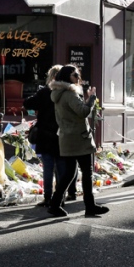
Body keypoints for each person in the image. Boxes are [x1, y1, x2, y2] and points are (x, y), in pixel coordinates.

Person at [47, 65, 109, 218]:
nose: (78, 78)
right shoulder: (70, 94)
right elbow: (82, 112)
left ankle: (55, 204)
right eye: (75, 75)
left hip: (67, 138)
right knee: (86, 172)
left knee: (69, 173)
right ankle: (90, 206)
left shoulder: (58, 93)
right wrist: (92, 99)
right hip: (79, 138)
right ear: (68, 76)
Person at [24, 65, 76, 207]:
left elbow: (28, 103)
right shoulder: (67, 93)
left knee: (48, 167)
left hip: (45, 135)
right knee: (61, 167)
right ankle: (60, 197)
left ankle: (48, 197)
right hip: (61, 134)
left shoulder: (45, 92)